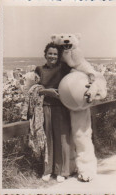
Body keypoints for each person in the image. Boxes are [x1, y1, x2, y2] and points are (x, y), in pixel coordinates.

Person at [34, 42, 71, 182]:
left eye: (55, 54)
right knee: (47, 138)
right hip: (45, 107)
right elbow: (32, 89)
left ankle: (60, 171)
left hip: (62, 108)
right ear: (45, 54)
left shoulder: (63, 69)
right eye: (50, 53)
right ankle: (47, 170)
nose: (52, 56)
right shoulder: (39, 69)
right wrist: (46, 91)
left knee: (61, 139)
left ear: (58, 56)